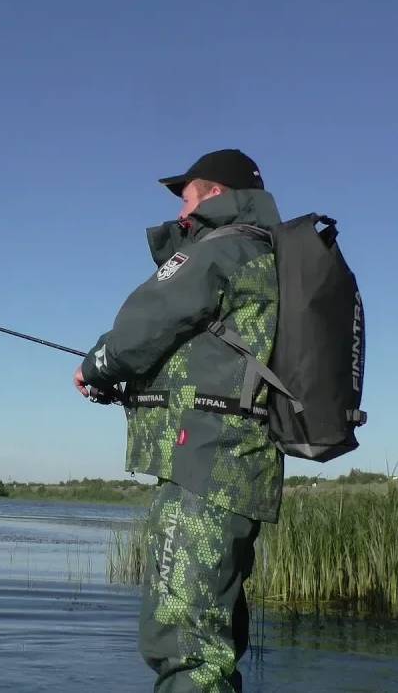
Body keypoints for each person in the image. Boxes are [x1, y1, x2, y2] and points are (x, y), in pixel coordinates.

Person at [73, 148, 286, 693]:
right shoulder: (265, 253)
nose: (180, 207)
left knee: (184, 642)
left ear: (215, 193)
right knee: (210, 638)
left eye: (186, 193)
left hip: (205, 463)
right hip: (236, 461)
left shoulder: (223, 248)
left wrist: (97, 365)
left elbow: (145, 322)